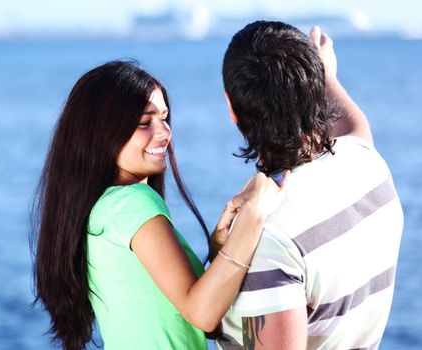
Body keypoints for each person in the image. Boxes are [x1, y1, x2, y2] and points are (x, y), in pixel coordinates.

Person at [30, 60, 288, 350]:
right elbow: (204, 316)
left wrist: (220, 248)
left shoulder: (103, 210)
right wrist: (253, 216)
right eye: (144, 122)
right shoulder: (131, 205)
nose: (164, 132)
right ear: (100, 133)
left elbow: (201, 314)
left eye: (164, 118)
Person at [215, 21, 404, 349]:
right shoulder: (368, 164)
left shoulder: (265, 241)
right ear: (317, 91)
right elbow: (355, 124)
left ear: (231, 108)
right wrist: (325, 74)